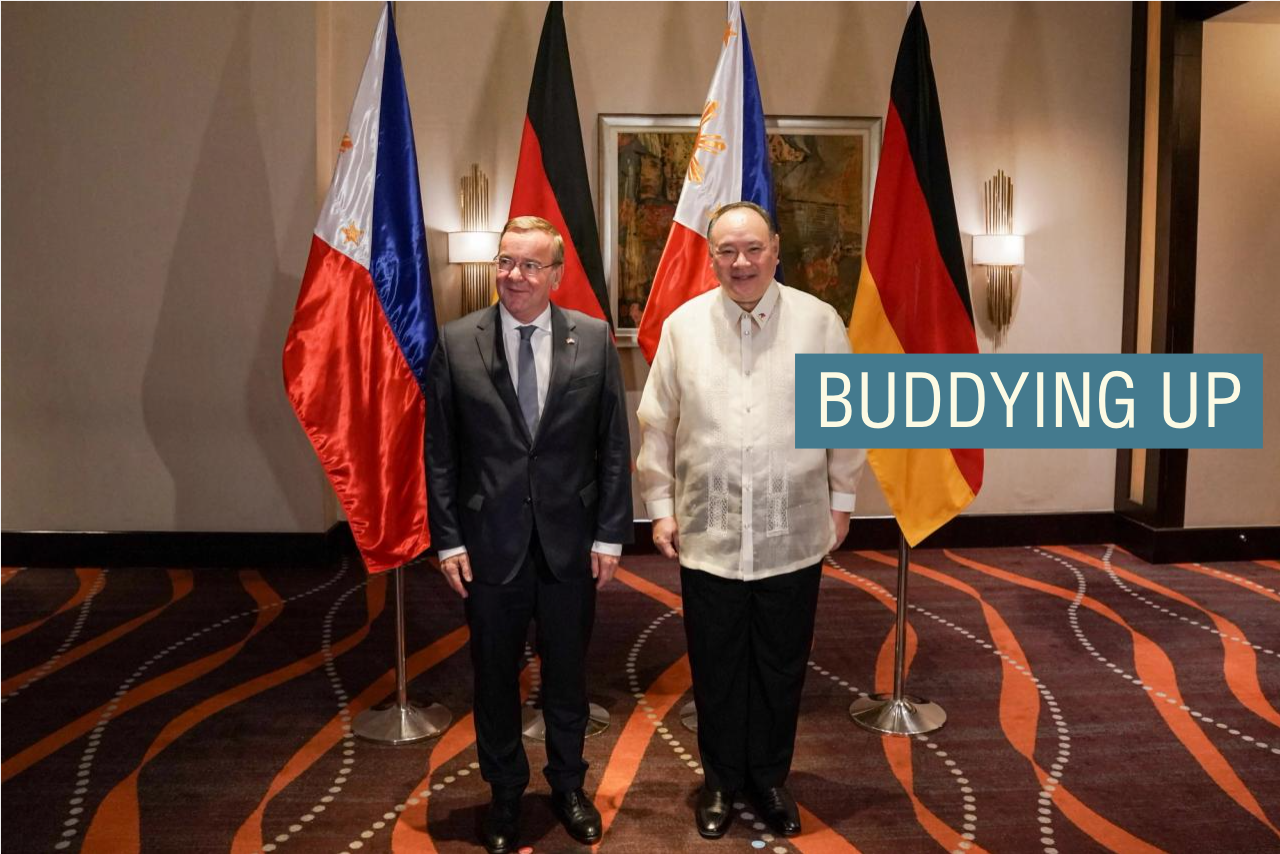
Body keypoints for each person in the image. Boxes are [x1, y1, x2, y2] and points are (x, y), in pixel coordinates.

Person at [636, 201, 865, 840]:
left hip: (792, 531)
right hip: (707, 530)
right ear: (711, 257)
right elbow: (658, 427)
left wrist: (841, 502)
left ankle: (768, 778)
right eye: (727, 252)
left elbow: (847, 422)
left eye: (753, 249)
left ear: (776, 249)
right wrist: (661, 509)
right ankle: (718, 782)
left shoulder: (820, 324)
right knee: (715, 664)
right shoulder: (683, 326)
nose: (741, 263)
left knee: (781, 664)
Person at [425, 216, 632, 854]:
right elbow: (441, 453)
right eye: (506, 262)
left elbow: (614, 447)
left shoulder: (594, 341)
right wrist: (449, 539)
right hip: (489, 544)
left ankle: (569, 786)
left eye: (530, 265)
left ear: (556, 274)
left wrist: (610, 536)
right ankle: (506, 793)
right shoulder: (458, 341)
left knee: (569, 674)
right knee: (493, 676)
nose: (515, 276)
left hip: (572, 543)